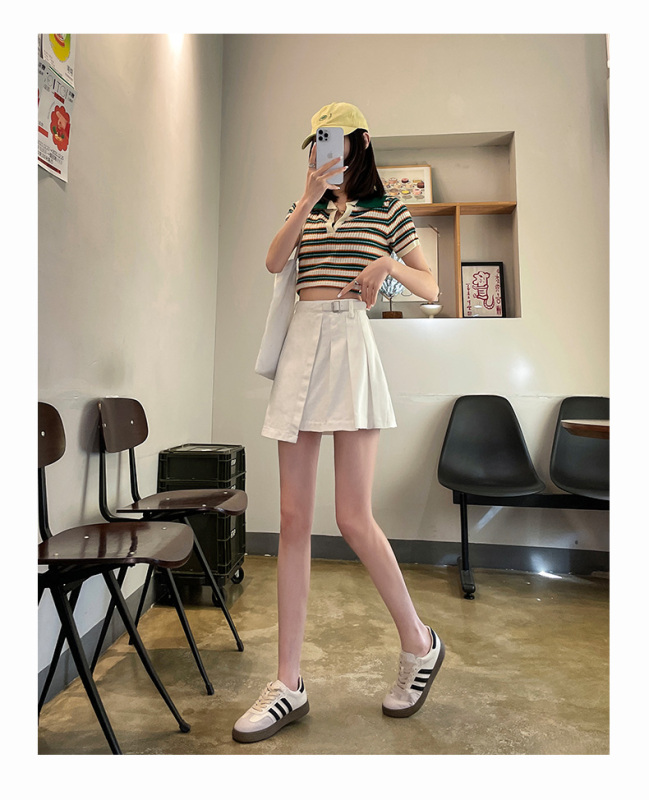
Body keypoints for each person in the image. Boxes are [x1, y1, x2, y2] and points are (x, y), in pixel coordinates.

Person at [232, 102, 445, 744]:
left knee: (353, 517)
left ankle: (419, 642)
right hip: (302, 346)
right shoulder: (309, 205)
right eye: (314, 142)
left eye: (330, 139)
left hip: (351, 345)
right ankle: (288, 682)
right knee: (293, 520)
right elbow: (274, 262)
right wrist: (306, 198)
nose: (319, 150)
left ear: (360, 141)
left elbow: (432, 288)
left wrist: (388, 267)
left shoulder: (389, 209)